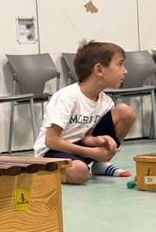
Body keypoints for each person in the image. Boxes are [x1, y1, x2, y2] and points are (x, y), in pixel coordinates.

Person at [33, 40, 136, 184]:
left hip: (79, 149)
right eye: (120, 64)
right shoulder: (67, 97)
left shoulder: (106, 102)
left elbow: (86, 136)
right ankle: (48, 169)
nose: (125, 70)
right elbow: (51, 141)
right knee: (78, 172)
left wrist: (99, 140)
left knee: (125, 112)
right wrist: (92, 152)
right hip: (52, 151)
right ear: (99, 70)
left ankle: (99, 164)